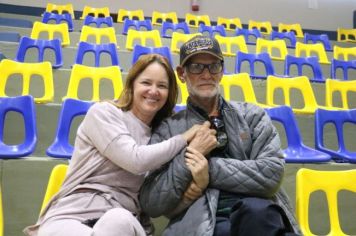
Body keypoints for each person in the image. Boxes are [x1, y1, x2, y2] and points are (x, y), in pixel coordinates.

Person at [23, 54, 217, 236]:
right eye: (146, 82)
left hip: (125, 222)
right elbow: (135, 160)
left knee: (118, 220)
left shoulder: (162, 137)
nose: (153, 91)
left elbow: (163, 204)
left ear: (169, 93)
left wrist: (194, 191)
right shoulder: (104, 113)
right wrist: (183, 138)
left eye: (162, 86)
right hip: (74, 214)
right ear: (132, 84)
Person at [139, 36, 301, 236]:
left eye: (213, 66)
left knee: (257, 212)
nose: (207, 74)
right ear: (182, 74)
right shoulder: (169, 129)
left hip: (259, 218)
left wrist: (208, 170)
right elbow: (151, 201)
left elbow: (271, 173)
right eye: (197, 67)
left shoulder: (252, 115)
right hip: (201, 222)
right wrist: (189, 156)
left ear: (222, 71)